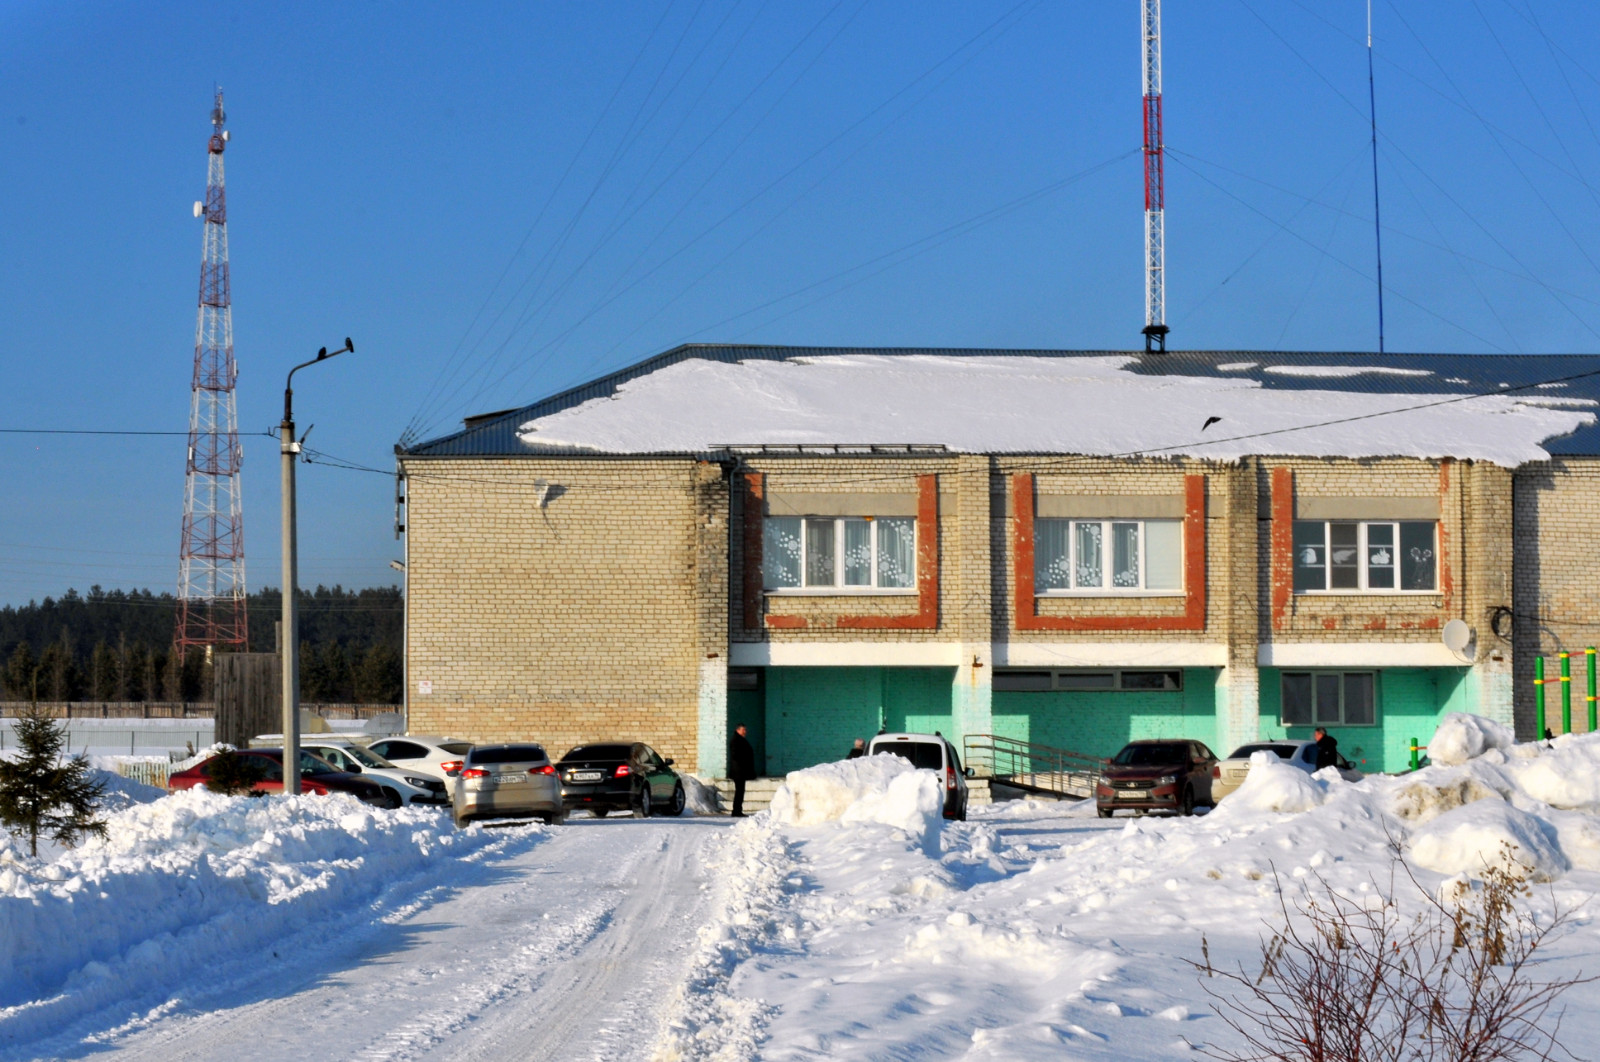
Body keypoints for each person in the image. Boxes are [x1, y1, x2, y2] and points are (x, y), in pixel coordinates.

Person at [728, 724, 756, 817]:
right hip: (738, 771)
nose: (745, 732)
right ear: (738, 730)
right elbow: (736, 755)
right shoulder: (736, 741)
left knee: (740, 791)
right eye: (743, 730)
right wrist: (744, 761)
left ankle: (737, 810)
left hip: (740, 771)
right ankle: (736, 811)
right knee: (739, 791)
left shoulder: (739, 740)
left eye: (745, 730)